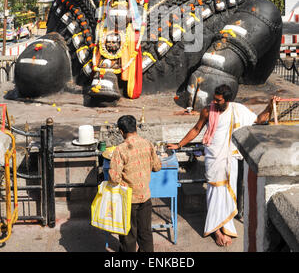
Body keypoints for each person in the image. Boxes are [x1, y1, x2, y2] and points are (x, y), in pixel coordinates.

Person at [167, 84, 273, 247]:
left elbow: (259, 120)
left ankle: (225, 225)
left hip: (230, 158)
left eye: (218, 100)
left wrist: (271, 105)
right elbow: (196, 129)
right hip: (214, 157)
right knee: (215, 192)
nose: (214, 102)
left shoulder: (237, 110)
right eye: (214, 99)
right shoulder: (207, 111)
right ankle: (216, 230)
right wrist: (179, 145)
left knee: (228, 191)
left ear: (227, 100)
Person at [108, 114, 162, 252]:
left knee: (128, 235)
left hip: (128, 200)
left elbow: (114, 178)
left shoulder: (120, 149)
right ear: (136, 127)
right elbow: (157, 167)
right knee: (145, 233)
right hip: (145, 197)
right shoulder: (148, 144)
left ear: (121, 131)